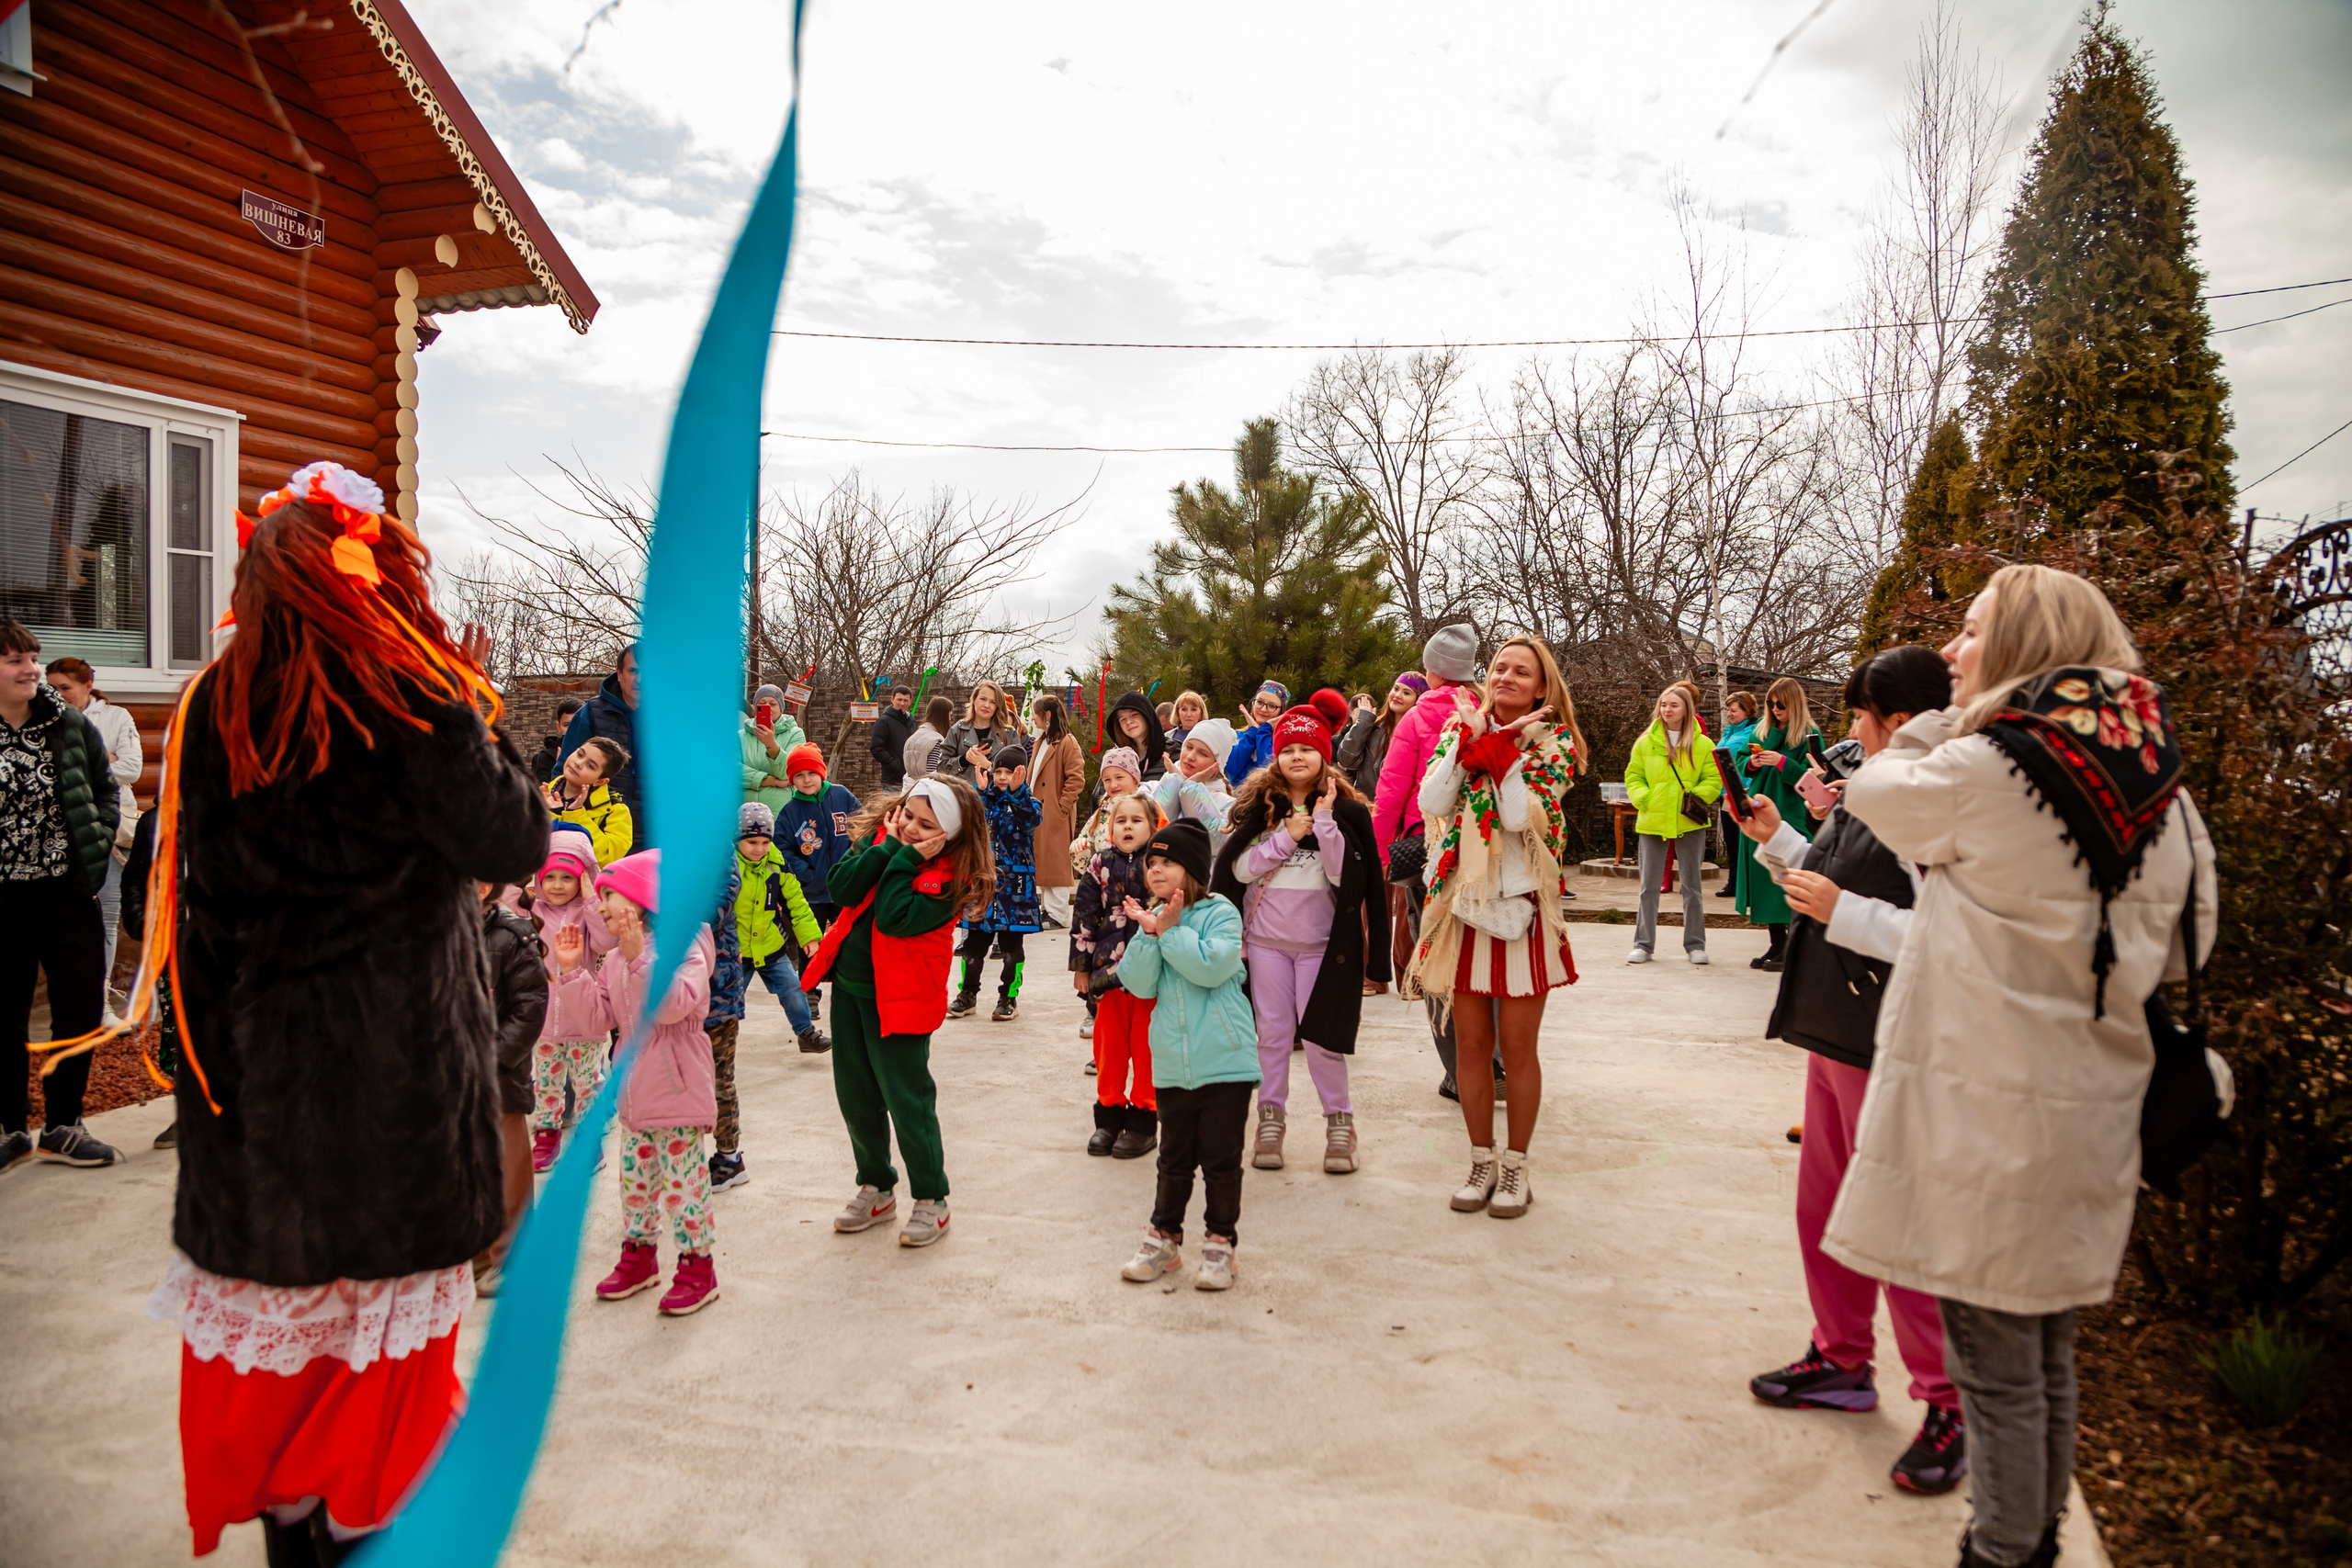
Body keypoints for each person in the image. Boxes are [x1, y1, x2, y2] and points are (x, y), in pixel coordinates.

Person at [140, 461, 547, 1561]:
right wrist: (467, 698)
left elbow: (187, 910)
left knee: (287, 1411)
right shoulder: (411, 695)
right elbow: (513, 839)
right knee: (377, 1422)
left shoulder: (212, 703)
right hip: (393, 1123)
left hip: (256, 1121)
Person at [1826, 567, 2214, 1568]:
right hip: (2092, 1105)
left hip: (1985, 1108)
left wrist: (1937, 721)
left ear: (2025, 646)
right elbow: (2191, 943)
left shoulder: (1994, 762)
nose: (1953, 651)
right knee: (2044, 1354)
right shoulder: (2158, 782)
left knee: (1994, 1363)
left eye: (1970, 631)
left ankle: (2001, 1551)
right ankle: (2028, 1538)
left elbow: (1872, 791)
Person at [1736, 646, 1967, 1497]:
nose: (1851, 732)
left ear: (1901, 720)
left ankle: (1948, 1402)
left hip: (1891, 1045)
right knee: (1824, 1207)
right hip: (1835, 1035)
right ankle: (1841, 1358)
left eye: (1864, 717)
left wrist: (1850, 912)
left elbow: (1961, 939)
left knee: (1895, 1223)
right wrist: (1782, 843)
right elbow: (1833, 884)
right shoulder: (1877, 781)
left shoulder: (1938, 799)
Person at [1408, 634, 1585, 1219]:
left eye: (1521, 672)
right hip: (1464, 906)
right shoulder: (1460, 727)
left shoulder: (1554, 745)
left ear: (1541, 687)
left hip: (1521, 910)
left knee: (1518, 1047)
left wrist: (1500, 752)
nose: (1506, 677)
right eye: (1499, 668)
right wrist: (1467, 745)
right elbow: (1434, 801)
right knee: (1473, 1047)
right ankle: (1480, 1159)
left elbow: (1517, 817)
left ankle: (1516, 1168)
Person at [806, 776, 995, 1249]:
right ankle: (876, 1187)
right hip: (850, 990)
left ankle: (932, 1198)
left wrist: (904, 856)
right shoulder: (881, 836)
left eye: (925, 824)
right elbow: (842, 887)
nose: (909, 826)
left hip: (901, 1001)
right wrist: (885, 847)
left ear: (948, 835)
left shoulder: (949, 877)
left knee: (906, 1099)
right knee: (855, 1095)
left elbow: (893, 916)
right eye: (908, 813)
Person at [1213, 704, 1388, 1175]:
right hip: (1267, 945)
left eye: (1307, 749)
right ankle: (1271, 1117)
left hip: (1322, 948)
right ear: (1275, 757)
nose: (1296, 756)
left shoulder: (1347, 812)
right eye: (1287, 748)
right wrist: (1286, 837)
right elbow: (1238, 869)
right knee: (1270, 1035)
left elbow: (1346, 876)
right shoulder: (1260, 811)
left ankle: (1339, 1122)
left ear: (1324, 757)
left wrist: (1324, 823)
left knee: (1322, 1041)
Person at [551, 849, 722, 1316]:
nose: (600, 904)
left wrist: (636, 960)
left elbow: (671, 1008)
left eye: (609, 894)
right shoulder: (610, 958)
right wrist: (571, 971)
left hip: (678, 1086)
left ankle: (696, 1266)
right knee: (637, 1183)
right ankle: (639, 1255)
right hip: (634, 1093)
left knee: (684, 1185)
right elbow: (596, 1020)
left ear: (644, 900)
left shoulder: (688, 946)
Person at [1114, 818, 1256, 1292]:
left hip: (1224, 1063)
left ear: (1192, 869)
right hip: (1174, 1064)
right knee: (1173, 1159)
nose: (1155, 870)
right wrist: (1152, 935)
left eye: (1167, 862)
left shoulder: (1220, 913)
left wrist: (1170, 933)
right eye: (1151, 863)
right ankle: (1164, 1237)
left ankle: (1220, 1244)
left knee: (1220, 1159)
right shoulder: (1155, 918)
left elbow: (1213, 968)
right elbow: (1137, 982)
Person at [1, 619, 121, 1169]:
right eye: (14, 661)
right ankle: (9, 1128)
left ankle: (63, 1125)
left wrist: (92, 854)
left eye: (31, 658)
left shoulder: (67, 723)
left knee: (79, 1009)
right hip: (2, 899)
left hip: (67, 893)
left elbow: (104, 789)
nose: (30, 670)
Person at [1374, 624, 1494, 1103]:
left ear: (1431, 671)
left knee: (1437, 958)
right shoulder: (1489, 712)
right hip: (1484, 848)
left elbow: (1390, 793)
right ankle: (1495, 1060)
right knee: (1483, 954)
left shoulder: (1418, 718)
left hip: (1428, 852)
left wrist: (1382, 857)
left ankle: (1457, 1071)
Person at [44, 656, 141, 997]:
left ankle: (98, 996)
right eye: (51, 686)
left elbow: (131, 769)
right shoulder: (44, 719)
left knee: (107, 913)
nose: (57, 693)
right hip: (58, 829)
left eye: (65, 687)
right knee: (62, 913)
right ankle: (69, 995)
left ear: (87, 686)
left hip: (107, 829)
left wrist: (75, 766)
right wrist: (102, 760)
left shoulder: (115, 717)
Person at [1073, 793, 1162, 1157]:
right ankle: (1108, 1117)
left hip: (1150, 973)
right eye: (1121, 820)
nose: (1128, 826)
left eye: (1136, 820)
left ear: (1153, 826)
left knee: (1146, 1047)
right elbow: (1084, 915)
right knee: (1109, 1048)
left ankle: (1143, 1120)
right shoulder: (1100, 863)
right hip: (1107, 972)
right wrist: (1081, 967)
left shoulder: (1159, 863)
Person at [475, 878, 547, 1296]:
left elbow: (530, 1007)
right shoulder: (438, 929)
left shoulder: (512, 935)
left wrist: (491, 1058)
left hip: (498, 1073)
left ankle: (512, 1260)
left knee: (506, 1167)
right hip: (450, 1074)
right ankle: (473, 1257)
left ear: (483, 887)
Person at [529, 825, 615, 1172]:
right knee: (546, 1083)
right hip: (544, 1020)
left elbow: (608, 941)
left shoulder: (588, 912)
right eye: (550, 877)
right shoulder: (531, 912)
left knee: (587, 1085)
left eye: (568, 877)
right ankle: (546, 1135)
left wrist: (592, 896)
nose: (558, 885)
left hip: (584, 1017)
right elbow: (502, 901)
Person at [1623, 682, 1721, 965]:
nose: (1667, 709)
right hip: (1653, 820)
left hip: (1689, 821)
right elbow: (1634, 776)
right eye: (1664, 704)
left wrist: (1696, 797)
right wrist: (1645, 798)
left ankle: (1696, 945)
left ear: (1686, 709)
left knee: (1692, 886)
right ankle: (1643, 944)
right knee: (1648, 887)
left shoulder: (1703, 744)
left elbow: (1713, 779)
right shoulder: (1646, 742)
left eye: (1674, 705)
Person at [1736, 678, 1823, 972]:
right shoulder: (1763, 728)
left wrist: (1782, 762)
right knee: (1765, 880)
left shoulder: (1809, 734)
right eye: (1771, 704)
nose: (1775, 709)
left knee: (1786, 881)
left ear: (1794, 703)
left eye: (1781, 704)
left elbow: (1816, 781)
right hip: (1760, 809)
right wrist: (1754, 762)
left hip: (1790, 814)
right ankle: (1776, 942)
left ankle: (1791, 947)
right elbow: (1740, 760)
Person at [953, 744, 1043, 1021]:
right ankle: (968, 994)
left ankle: (1008, 997)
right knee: (973, 948)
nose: (1002, 777)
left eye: (1009, 772)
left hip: (1015, 889)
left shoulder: (1029, 802)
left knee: (1011, 950)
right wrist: (979, 792)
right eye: (999, 771)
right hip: (983, 887)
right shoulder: (984, 800)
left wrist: (1017, 793)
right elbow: (969, 823)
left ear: (1022, 774)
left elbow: (1030, 819)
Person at [733, 802, 828, 1057]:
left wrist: (808, 934)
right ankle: (714, 1040)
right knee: (728, 999)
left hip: (771, 944)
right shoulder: (728, 868)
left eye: (765, 842)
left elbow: (796, 899)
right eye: (752, 843)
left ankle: (806, 1032)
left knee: (793, 990)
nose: (760, 849)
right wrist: (724, 944)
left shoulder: (776, 862)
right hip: (736, 950)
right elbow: (715, 910)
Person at [774, 740, 857, 941]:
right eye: (799, 775)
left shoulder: (841, 795)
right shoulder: (789, 812)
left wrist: (853, 864)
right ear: (792, 780)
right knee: (812, 949)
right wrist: (807, 874)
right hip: (811, 894)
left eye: (811, 773)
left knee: (846, 944)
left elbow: (862, 827)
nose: (807, 780)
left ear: (821, 772)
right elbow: (781, 849)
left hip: (844, 888)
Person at [559, 645, 643, 831]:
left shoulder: (673, 721)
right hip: (598, 831)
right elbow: (563, 771)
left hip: (655, 834)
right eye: (634, 671)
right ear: (619, 674)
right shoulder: (591, 714)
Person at [1028, 694, 1086, 929]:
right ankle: (1047, 910)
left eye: (1036, 713)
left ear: (1048, 715)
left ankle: (1059, 914)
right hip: (1037, 811)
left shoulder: (1067, 742)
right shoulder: (1040, 742)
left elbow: (1076, 778)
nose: (1033, 717)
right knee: (1043, 861)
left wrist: (1061, 807)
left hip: (1053, 811)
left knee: (1057, 863)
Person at [1147, 717, 1237, 853]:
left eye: (1202, 753)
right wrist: (1175, 782)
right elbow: (1147, 829)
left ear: (1217, 764)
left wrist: (1192, 789)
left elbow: (1216, 843)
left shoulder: (1228, 805)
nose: (1190, 757)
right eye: (1188, 747)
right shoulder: (1150, 788)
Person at [545, 735, 634, 865]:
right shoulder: (543, 793)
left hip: (588, 883)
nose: (578, 763)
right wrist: (553, 813)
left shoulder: (615, 810)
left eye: (590, 766)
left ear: (600, 781)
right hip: (545, 879)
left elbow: (608, 857)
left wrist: (576, 815)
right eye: (580, 754)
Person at [1336, 671, 1422, 796]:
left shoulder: (1419, 736)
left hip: (1397, 810)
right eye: (1396, 689)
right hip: (1366, 806)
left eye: (1406, 693)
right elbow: (1346, 760)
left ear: (1417, 700)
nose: (1398, 695)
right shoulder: (1373, 727)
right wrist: (1363, 723)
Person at [739, 683, 810, 819]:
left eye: (773, 704)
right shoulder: (740, 736)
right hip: (744, 814)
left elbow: (788, 772)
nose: (768, 707)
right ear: (755, 707)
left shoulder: (795, 734)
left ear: (781, 708)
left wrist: (771, 745)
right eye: (762, 703)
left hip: (781, 814)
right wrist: (771, 781)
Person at [1716, 691, 1760, 901]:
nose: (1730, 714)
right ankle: (1734, 883)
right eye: (1728, 710)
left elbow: (1754, 759)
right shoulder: (1729, 732)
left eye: (1734, 710)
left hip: (1744, 793)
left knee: (1748, 840)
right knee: (1732, 842)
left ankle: (1750, 885)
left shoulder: (1756, 731)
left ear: (1747, 710)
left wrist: (1750, 786)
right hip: (1726, 794)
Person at [943, 681, 1020, 791]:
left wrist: (988, 766)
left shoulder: (1009, 734)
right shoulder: (957, 730)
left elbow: (1018, 772)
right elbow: (941, 768)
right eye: (983, 699)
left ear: (998, 706)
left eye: (993, 702)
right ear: (974, 700)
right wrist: (965, 759)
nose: (987, 705)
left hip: (997, 802)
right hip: (962, 798)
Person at [1223, 678, 1290, 785]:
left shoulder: (1283, 741)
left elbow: (1268, 769)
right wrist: (1253, 732)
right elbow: (1232, 767)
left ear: (1281, 712)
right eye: (1259, 702)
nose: (1263, 709)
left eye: (1272, 706)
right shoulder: (1236, 736)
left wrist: (1264, 731)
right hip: (1238, 801)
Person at [1106, 690, 1167, 783]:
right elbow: (1100, 794)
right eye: (1123, 719)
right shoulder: (1116, 758)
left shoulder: (1173, 752)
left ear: (1147, 715)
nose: (1129, 722)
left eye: (1134, 715)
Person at [870, 683, 917, 790]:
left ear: (910, 702)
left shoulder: (912, 721)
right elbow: (876, 749)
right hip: (892, 782)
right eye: (899, 699)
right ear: (892, 699)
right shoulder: (883, 721)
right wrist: (897, 766)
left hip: (911, 780)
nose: (902, 703)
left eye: (905, 700)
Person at [902, 694, 954, 787]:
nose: (950, 719)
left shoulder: (912, 738)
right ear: (943, 716)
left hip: (908, 789)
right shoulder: (936, 741)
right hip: (927, 791)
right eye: (949, 716)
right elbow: (933, 773)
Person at [529, 696, 582, 784]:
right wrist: (558, 768)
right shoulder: (543, 759)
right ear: (558, 727)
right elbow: (540, 793)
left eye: (577, 724)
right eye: (567, 725)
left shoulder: (595, 754)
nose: (572, 730)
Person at [1164, 689, 1208, 772]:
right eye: (1184, 709)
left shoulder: (1209, 738)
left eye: (1193, 709)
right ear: (1177, 712)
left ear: (1201, 713)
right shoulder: (1166, 737)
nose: (1188, 714)